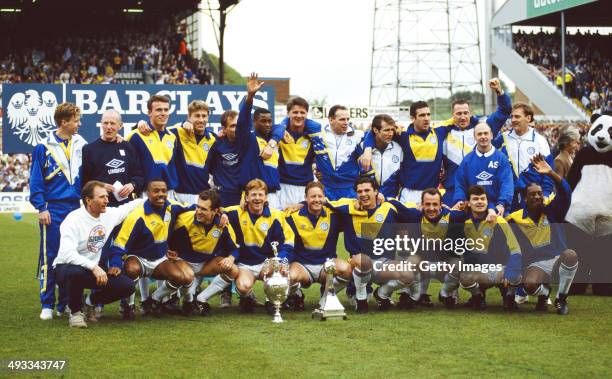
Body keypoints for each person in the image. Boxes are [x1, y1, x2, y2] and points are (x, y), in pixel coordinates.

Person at [53, 181, 142, 328]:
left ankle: (90, 303)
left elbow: (128, 207)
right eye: (102, 197)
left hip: (92, 270)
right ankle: (75, 314)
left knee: (127, 286)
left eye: (107, 196)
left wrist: (150, 197)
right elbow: (67, 253)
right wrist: (94, 267)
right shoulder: (73, 219)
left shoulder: (108, 215)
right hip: (65, 268)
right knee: (76, 273)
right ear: (88, 200)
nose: (107, 200)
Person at [326, 176, 420, 313]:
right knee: (362, 260)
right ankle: (361, 299)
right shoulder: (349, 208)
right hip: (358, 264)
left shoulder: (390, 207)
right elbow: (321, 202)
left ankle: (382, 294)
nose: (363, 194)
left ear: (376, 191)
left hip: (383, 263)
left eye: (367, 190)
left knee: (408, 273)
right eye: (359, 191)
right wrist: (300, 204)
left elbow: (415, 215)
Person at [30, 102, 87, 320]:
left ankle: (65, 303)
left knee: (71, 256)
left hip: (75, 208)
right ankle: (47, 304)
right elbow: (35, 180)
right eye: (76, 120)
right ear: (64, 122)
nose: (79, 124)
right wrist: (41, 207)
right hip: (52, 210)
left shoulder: (81, 143)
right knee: (49, 256)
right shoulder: (43, 147)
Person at [107, 179, 195, 317]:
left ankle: (152, 301)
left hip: (160, 259)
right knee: (131, 269)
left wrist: (219, 213)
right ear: (147, 193)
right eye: (156, 191)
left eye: (164, 191)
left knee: (180, 277)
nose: (161, 194)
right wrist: (115, 264)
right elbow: (120, 243)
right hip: (139, 259)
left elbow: (192, 208)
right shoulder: (137, 216)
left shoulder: (171, 206)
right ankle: (128, 306)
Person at [507, 154, 578, 315]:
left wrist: (551, 173)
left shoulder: (553, 211)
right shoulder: (515, 218)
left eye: (539, 193)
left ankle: (561, 299)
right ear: (525, 198)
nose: (538, 197)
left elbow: (566, 193)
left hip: (557, 259)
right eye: (533, 194)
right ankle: (544, 293)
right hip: (536, 264)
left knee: (571, 254)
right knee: (530, 285)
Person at [389, 188, 467, 309]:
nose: (431, 208)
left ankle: (445, 293)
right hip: (422, 262)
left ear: (441, 205)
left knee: (459, 264)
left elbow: (473, 212)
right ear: (421, 205)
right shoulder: (414, 216)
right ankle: (411, 295)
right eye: (427, 204)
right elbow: (395, 205)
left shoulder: (452, 217)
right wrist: (383, 198)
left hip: (445, 263)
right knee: (410, 262)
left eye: (435, 204)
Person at [225, 179, 295, 313]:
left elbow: (288, 241)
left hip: (266, 263)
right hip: (245, 264)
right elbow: (215, 210)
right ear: (246, 197)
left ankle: (272, 300)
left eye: (260, 195)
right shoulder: (235, 212)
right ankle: (247, 297)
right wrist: (220, 217)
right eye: (253, 195)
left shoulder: (276, 216)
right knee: (243, 286)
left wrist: (280, 260)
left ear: (266, 197)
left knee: (279, 269)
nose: (257, 198)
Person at [166, 190, 240, 316]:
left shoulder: (223, 224)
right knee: (184, 280)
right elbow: (165, 234)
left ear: (215, 211)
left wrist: (231, 258)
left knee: (233, 269)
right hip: (182, 265)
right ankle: (161, 299)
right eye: (198, 207)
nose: (198, 212)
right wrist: (166, 249)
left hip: (204, 266)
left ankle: (201, 299)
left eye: (204, 209)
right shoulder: (184, 219)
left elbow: (236, 248)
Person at [440, 78, 512, 204]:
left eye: (465, 113)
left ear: (470, 113)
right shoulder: (443, 134)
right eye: (458, 113)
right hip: (453, 192)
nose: (462, 117)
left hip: (480, 193)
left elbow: (505, 111)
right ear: (452, 114)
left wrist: (499, 91)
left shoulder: (482, 128)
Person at [285, 182, 352, 310]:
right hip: (302, 266)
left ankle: (325, 298)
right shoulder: (292, 216)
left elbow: (354, 204)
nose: (317, 200)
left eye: (320, 196)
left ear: (324, 198)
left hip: (326, 265)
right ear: (305, 198)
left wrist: (379, 197)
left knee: (347, 270)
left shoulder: (334, 214)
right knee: (289, 277)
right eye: (313, 196)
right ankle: (297, 295)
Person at [459, 185, 522, 311]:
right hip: (479, 271)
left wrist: (511, 270)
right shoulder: (463, 222)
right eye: (475, 199)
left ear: (488, 202)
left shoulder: (499, 221)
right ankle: (478, 296)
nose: (480, 202)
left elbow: (515, 249)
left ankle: (508, 296)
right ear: (469, 203)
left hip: (500, 269)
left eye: (483, 199)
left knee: (516, 274)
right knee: (464, 275)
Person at [493, 102, 554, 211]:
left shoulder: (540, 141)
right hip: (509, 198)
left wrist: (545, 194)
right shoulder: (503, 138)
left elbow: (548, 172)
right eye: (512, 116)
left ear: (528, 118)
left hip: (533, 197)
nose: (513, 120)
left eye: (517, 116)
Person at [236, 73, 285, 209]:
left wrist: (273, 142)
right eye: (263, 121)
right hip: (252, 195)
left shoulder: (274, 139)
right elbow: (242, 122)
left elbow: (280, 127)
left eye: (270, 121)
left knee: (275, 230)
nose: (268, 124)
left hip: (273, 196)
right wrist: (250, 97)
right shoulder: (248, 138)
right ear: (254, 122)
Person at [81, 109, 143, 206]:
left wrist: (132, 185)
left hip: (126, 207)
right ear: (101, 124)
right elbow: (84, 182)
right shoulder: (89, 150)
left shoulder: (127, 147)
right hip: (100, 208)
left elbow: (139, 176)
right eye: (105, 123)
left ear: (120, 126)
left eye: (112, 123)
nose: (108, 127)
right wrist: (99, 187)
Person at [453, 121, 514, 217]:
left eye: (486, 133)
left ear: (491, 135)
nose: (483, 136)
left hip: (497, 207)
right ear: (474, 137)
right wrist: (460, 199)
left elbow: (507, 183)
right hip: (474, 208)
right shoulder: (467, 160)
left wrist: (502, 203)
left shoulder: (501, 158)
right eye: (479, 134)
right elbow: (460, 183)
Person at [127, 95, 178, 197]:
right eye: (159, 110)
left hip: (168, 192)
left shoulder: (172, 137)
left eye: (166, 110)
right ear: (149, 113)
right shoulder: (135, 135)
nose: (163, 113)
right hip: (145, 193)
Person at [314, 105, 365, 200]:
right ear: (331, 119)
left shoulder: (358, 135)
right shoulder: (319, 135)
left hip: (349, 189)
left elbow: (374, 135)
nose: (346, 123)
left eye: (347, 119)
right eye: (342, 119)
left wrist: (368, 151)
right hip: (326, 189)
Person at [207, 110, 243, 207]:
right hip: (222, 196)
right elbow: (208, 168)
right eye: (233, 126)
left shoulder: (248, 143)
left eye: (239, 124)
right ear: (224, 129)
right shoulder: (217, 145)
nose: (237, 128)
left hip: (243, 197)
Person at [367, 114, 403, 199]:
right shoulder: (363, 148)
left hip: (391, 199)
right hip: (369, 200)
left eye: (392, 130)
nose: (391, 134)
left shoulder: (399, 148)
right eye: (386, 130)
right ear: (375, 130)